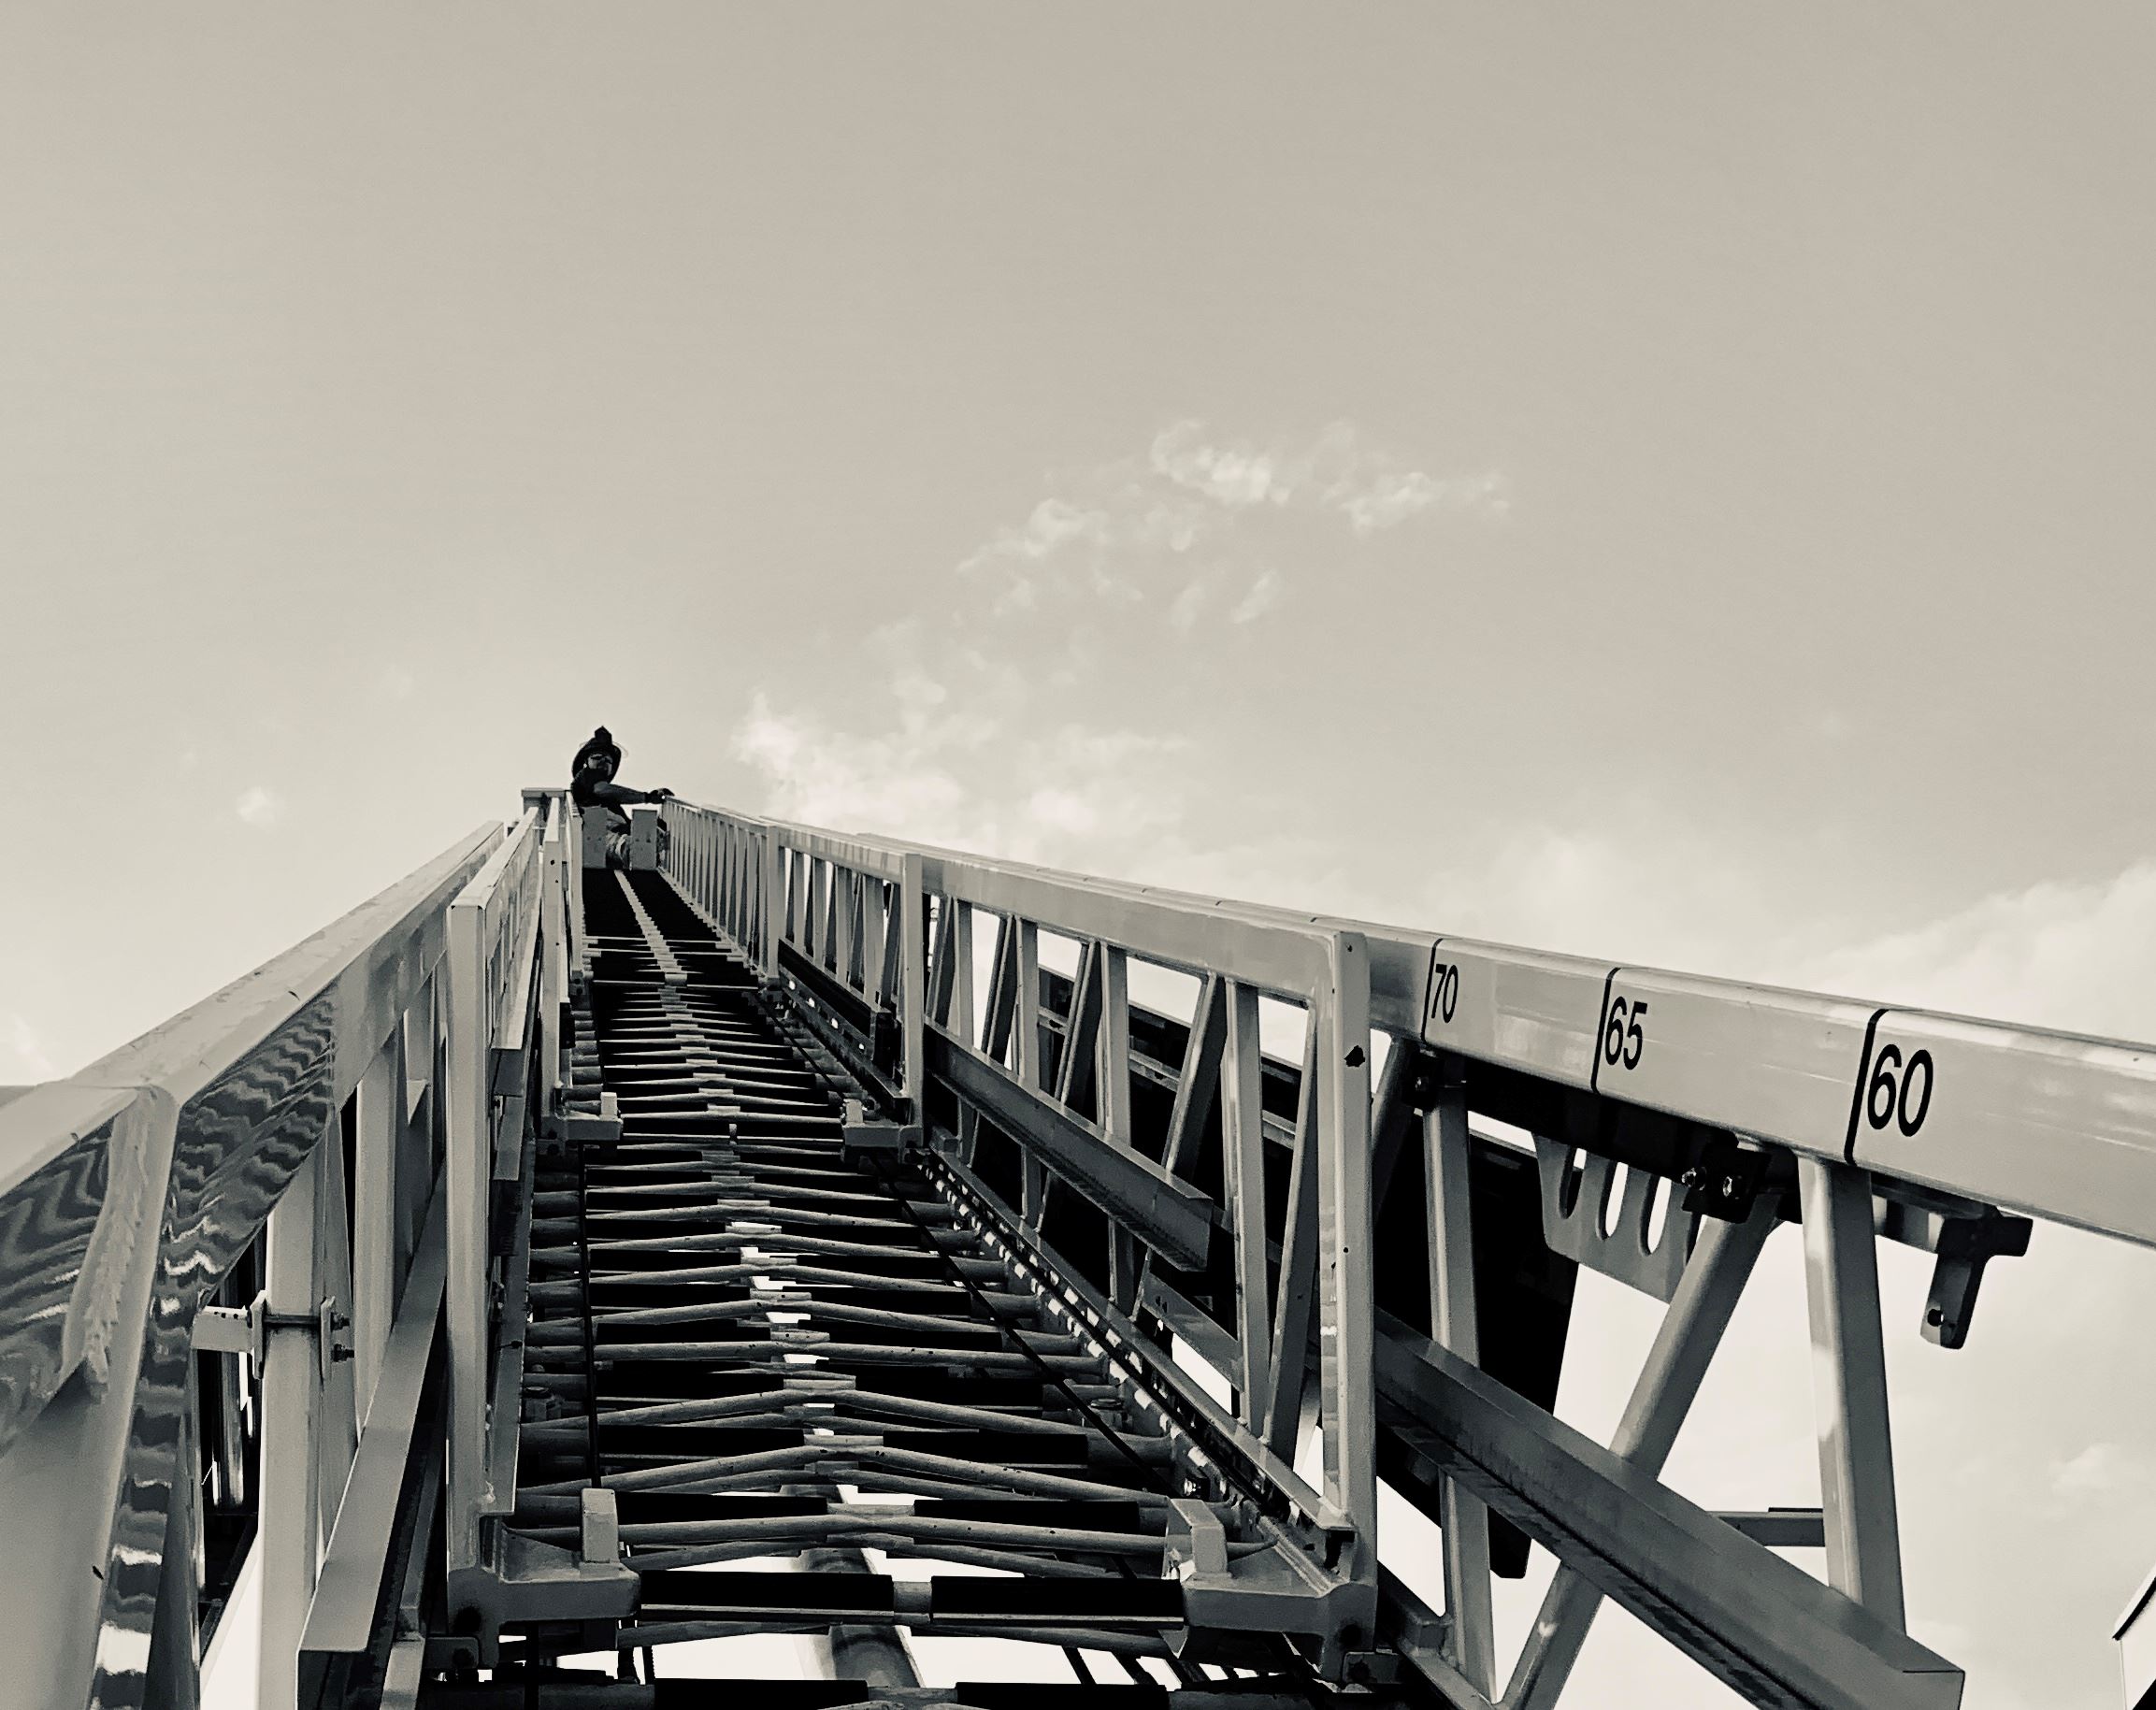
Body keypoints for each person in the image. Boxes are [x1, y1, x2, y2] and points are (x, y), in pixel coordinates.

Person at [569, 726, 672, 867]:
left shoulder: (602, 787)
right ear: (587, 761)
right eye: (597, 757)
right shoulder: (587, 776)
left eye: (608, 760)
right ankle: (629, 849)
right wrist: (646, 797)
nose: (603, 762)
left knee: (655, 827)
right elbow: (603, 790)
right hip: (598, 831)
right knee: (613, 841)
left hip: (615, 829)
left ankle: (651, 846)